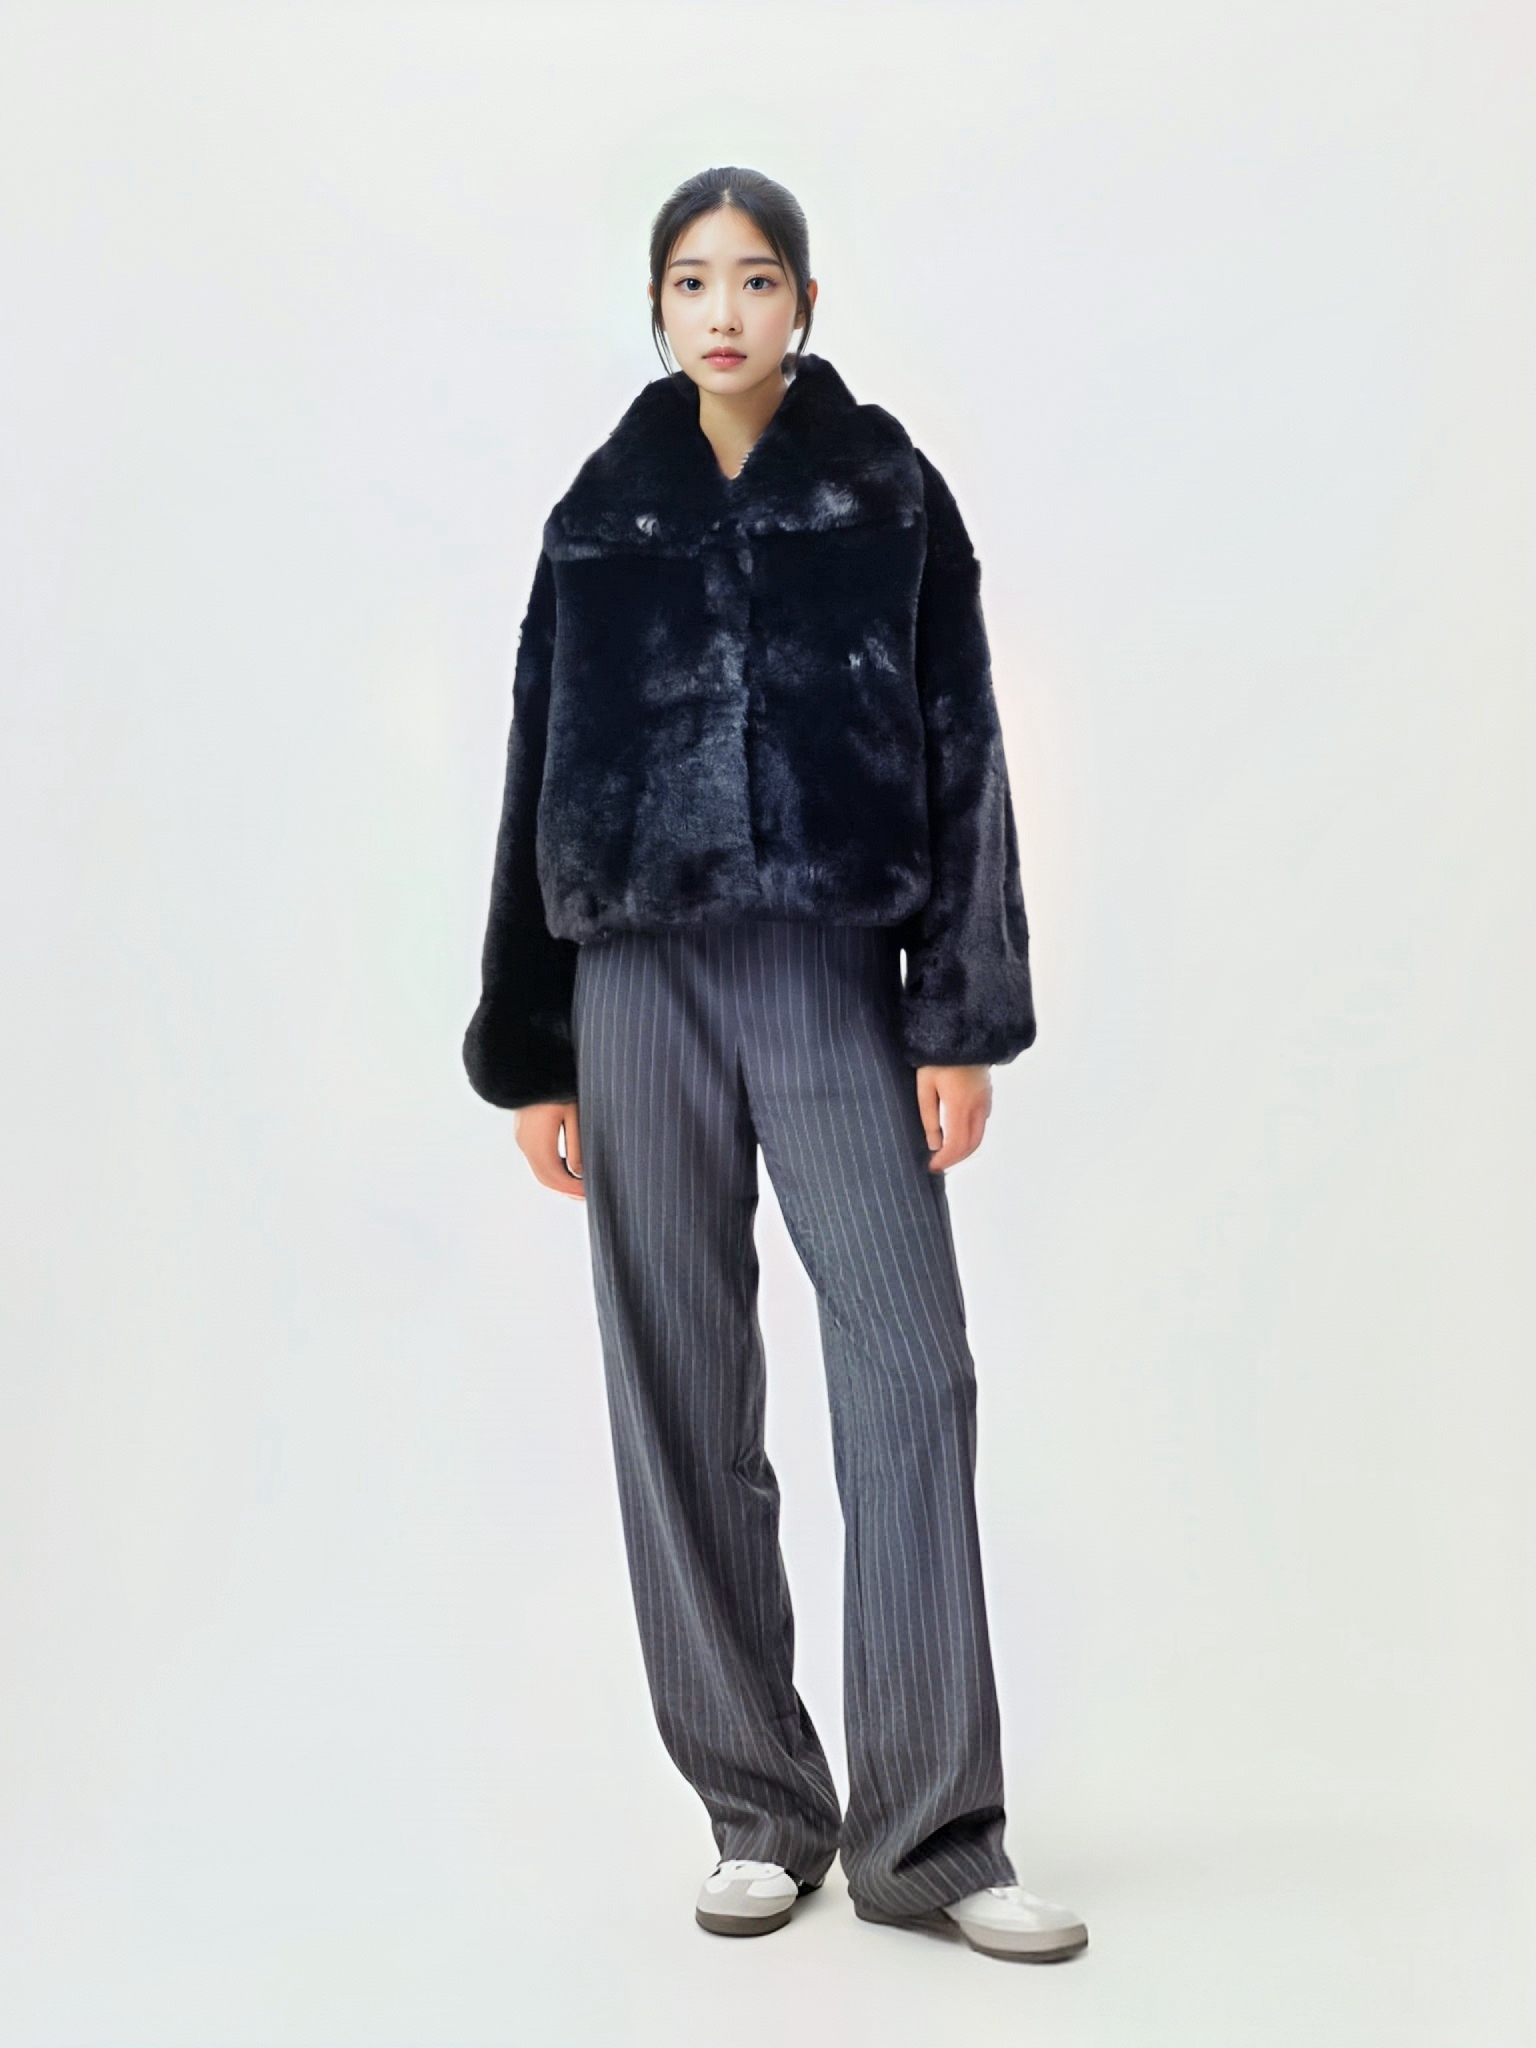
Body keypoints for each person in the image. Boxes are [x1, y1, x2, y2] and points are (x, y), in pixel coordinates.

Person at [462, 165, 1088, 1965]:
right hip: (632, 981)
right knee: (679, 1387)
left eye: (753, 279)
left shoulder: (887, 494)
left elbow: (965, 755)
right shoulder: (598, 514)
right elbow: (536, 772)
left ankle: (932, 1840)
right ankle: (758, 1810)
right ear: (656, 309)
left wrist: (957, 1019)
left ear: (805, 301)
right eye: (690, 281)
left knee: (911, 1371)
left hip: (829, 973)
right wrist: (537, 1049)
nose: (722, 311)